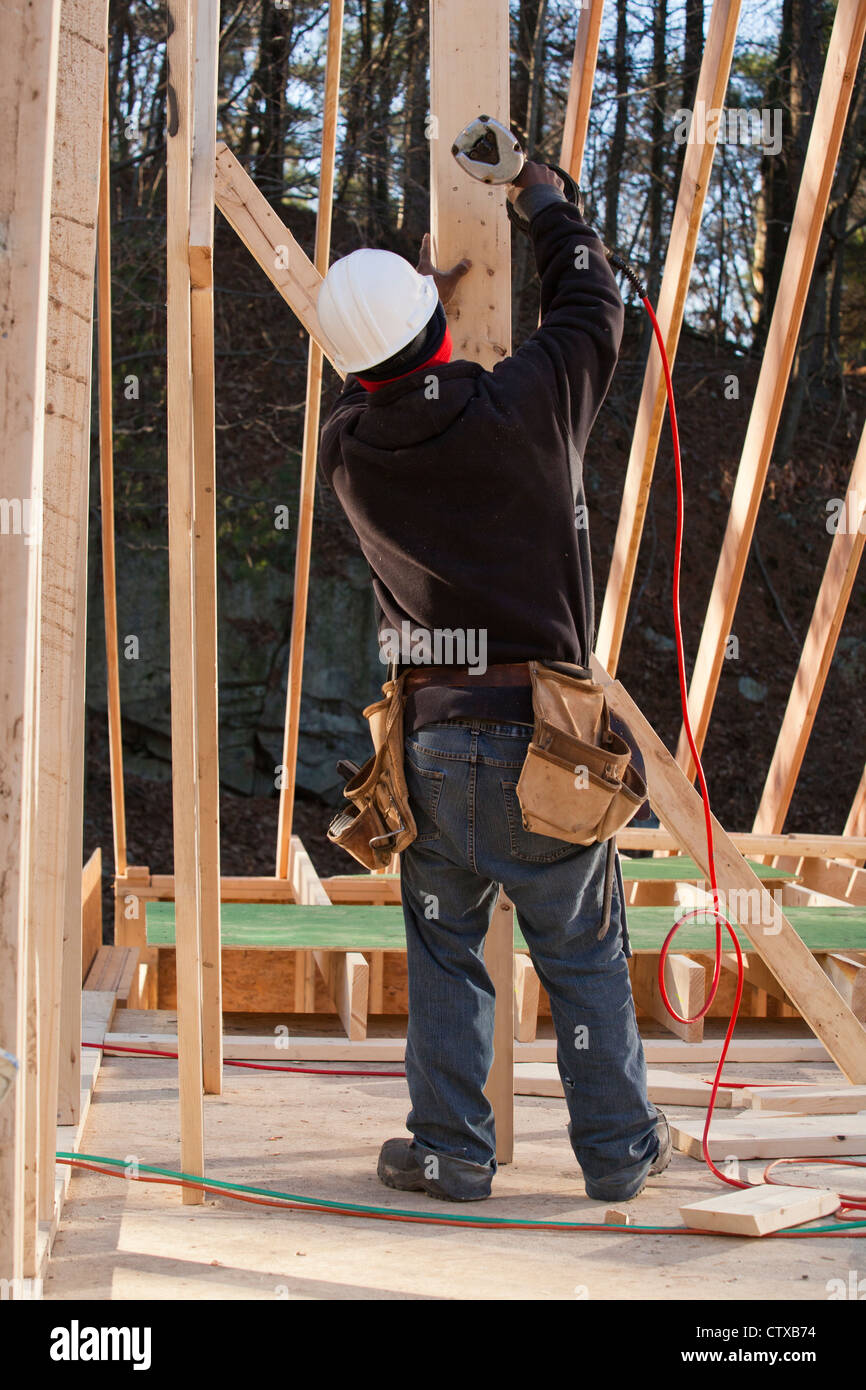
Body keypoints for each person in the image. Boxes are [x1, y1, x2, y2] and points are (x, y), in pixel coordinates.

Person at [317, 162, 670, 1204]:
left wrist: (403, 319)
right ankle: (613, 1151)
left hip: (430, 751)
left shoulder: (347, 456)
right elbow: (590, 300)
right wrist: (537, 194)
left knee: (443, 945)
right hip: (543, 745)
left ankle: (451, 1149)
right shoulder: (530, 401)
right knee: (579, 950)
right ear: (435, 329)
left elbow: (371, 383)